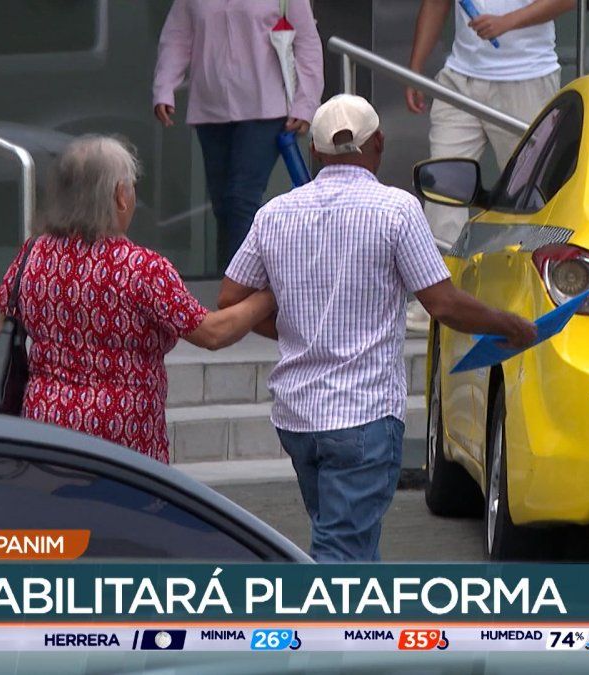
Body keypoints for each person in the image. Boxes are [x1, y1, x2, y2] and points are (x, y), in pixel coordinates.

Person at [218, 95, 536, 562]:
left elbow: (230, 298)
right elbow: (443, 303)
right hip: (363, 415)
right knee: (342, 554)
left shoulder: (274, 214)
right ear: (379, 143)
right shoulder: (397, 210)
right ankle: (326, 613)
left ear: (314, 151)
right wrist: (511, 325)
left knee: (346, 541)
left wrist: (294, 328)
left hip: (297, 417)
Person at [0, 136, 276, 464]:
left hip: (46, 425)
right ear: (119, 195)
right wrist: (269, 295)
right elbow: (213, 332)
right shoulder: (142, 268)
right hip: (122, 438)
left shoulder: (32, 254)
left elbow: (3, 325)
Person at [404, 0, 574, 332]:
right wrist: (415, 68)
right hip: (459, 77)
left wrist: (507, 22)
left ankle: (537, 295)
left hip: (527, 78)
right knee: (443, 191)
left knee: (532, 198)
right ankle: (441, 300)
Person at [153, 0, 324, 269]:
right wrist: (164, 88)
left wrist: (306, 104)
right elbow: (176, 37)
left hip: (265, 107)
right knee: (223, 205)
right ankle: (232, 280)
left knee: (241, 199)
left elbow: (307, 43)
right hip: (211, 109)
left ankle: (238, 286)